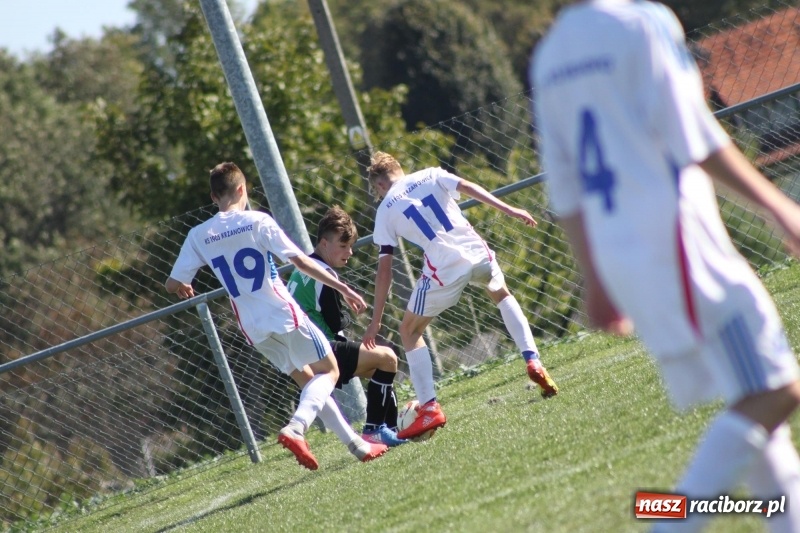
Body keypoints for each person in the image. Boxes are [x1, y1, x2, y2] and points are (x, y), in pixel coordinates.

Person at [532, 2, 800, 531]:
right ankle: (668, 520)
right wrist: (779, 207)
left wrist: (596, 278)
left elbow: (565, 189)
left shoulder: (550, 55)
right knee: (777, 392)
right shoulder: (642, 22)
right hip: (681, 248)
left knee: (764, 428)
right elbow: (696, 138)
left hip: (625, 256)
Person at [165, 162, 388, 470]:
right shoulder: (257, 220)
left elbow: (172, 283)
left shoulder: (198, 235)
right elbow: (300, 261)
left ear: (214, 197)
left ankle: (358, 445)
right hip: (282, 313)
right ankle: (297, 427)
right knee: (330, 372)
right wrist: (343, 287)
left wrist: (183, 284)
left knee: (309, 381)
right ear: (242, 189)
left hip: (252, 326)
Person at [363, 151, 559, 441]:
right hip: (476, 250)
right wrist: (510, 210)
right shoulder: (430, 173)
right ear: (399, 170)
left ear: (380, 186)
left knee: (408, 330)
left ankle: (429, 407)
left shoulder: (385, 210)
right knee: (501, 293)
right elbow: (468, 186)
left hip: (443, 267)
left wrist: (375, 321)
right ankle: (533, 360)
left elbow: (384, 272)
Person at [287, 206, 406, 447]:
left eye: (350, 246)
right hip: (320, 349)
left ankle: (393, 431)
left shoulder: (302, 270)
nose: (349, 252)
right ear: (323, 244)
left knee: (379, 371)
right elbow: (333, 322)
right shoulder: (325, 274)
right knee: (389, 358)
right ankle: (374, 430)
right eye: (343, 246)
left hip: (299, 352)